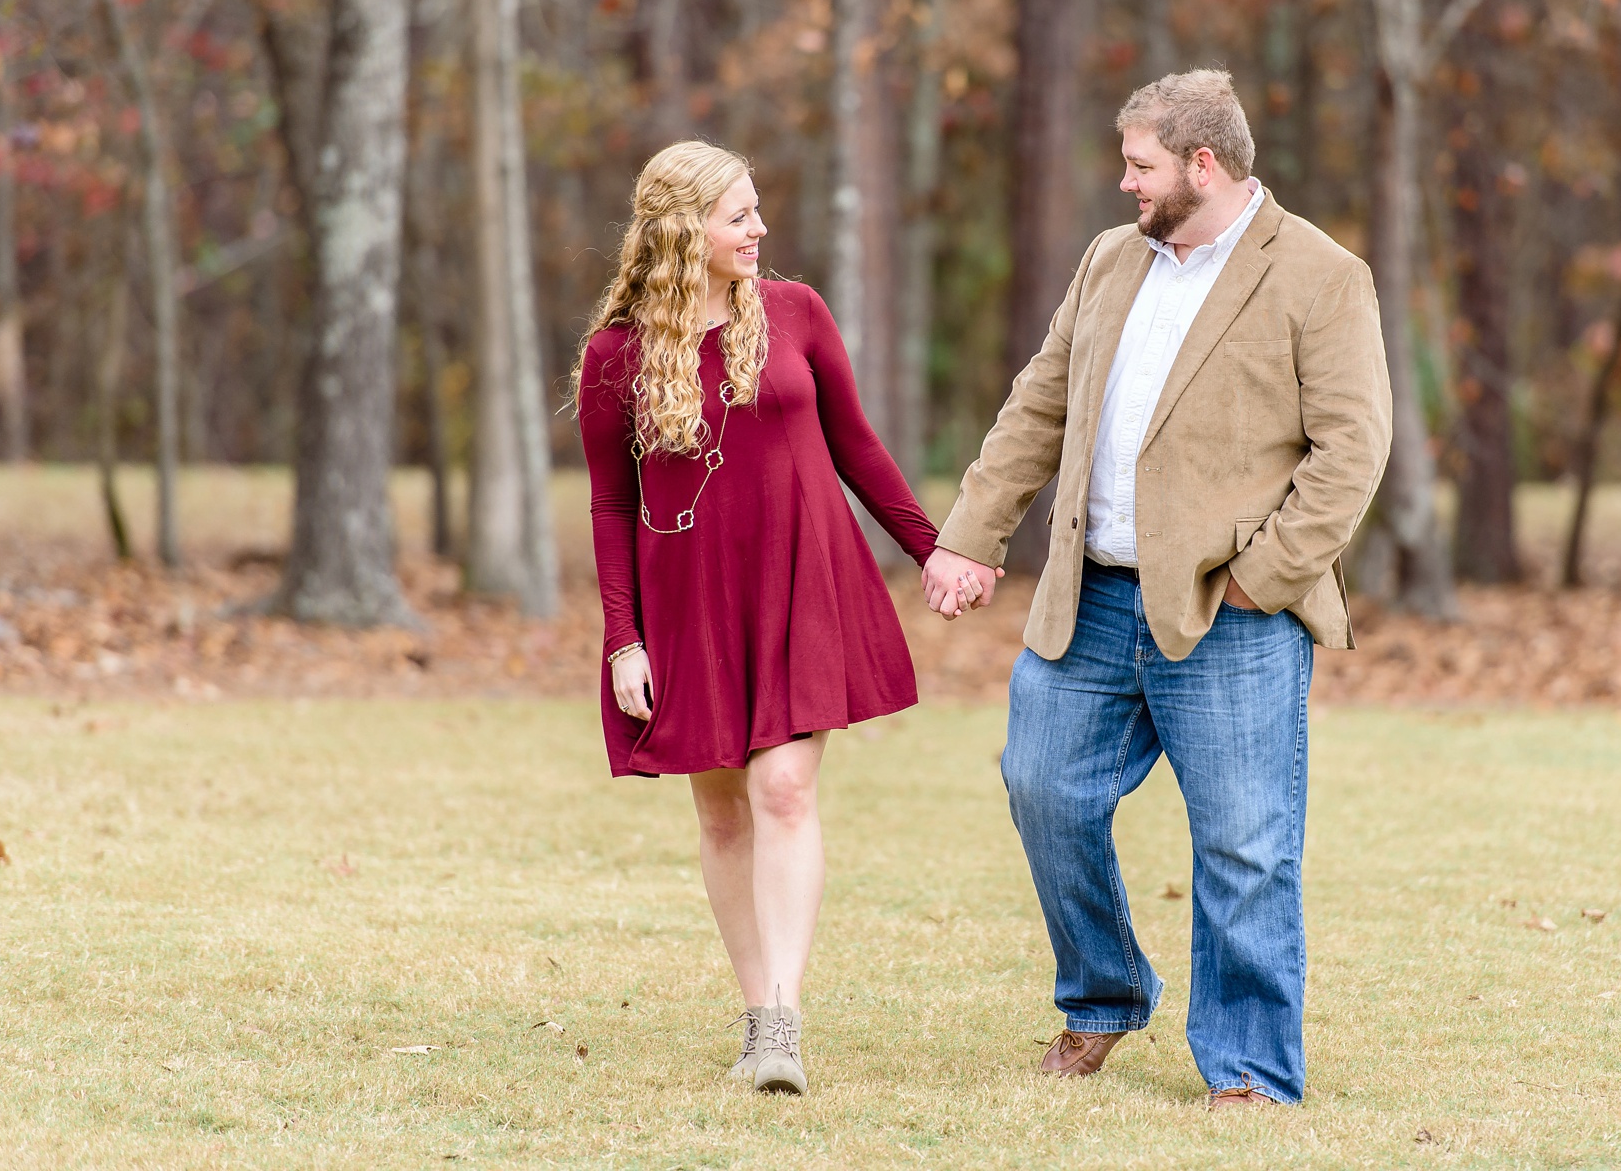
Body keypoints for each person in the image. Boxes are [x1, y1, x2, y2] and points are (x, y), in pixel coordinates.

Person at [921, 70, 1392, 1107]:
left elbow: (1351, 452)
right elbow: (1037, 402)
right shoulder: (1107, 259)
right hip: (1087, 599)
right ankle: (1102, 994)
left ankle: (1249, 1067)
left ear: (1203, 164)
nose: (1124, 180)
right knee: (1041, 785)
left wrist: (1259, 578)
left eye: (1140, 163)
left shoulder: (1318, 274)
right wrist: (971, 533)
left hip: (1231, 614)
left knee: (1242, 841)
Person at [575, 141, 972, 1095]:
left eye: (758, 211)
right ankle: (757, 1013)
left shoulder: (794, 314)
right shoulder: (616, 354)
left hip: (801, 578)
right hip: (690, 601)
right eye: (739, 216)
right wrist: (624, 638)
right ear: (683, 231)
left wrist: (933, 548)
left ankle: (783, 1021)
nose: (760, 230)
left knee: (784, 789)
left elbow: (857, 446)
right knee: (720, 812)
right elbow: (608, 505)